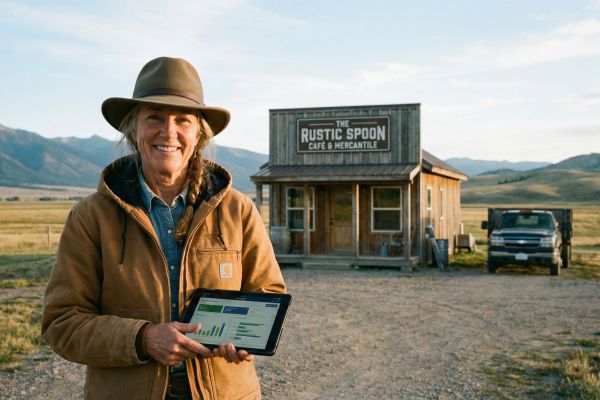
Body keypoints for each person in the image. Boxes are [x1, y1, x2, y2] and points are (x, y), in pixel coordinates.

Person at [42, 56, 286, 400]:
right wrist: (143, 339)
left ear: (198, 133)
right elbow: (62, 323)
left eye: (182, 120)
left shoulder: (238, 211)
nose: (168, 132)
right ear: (133, 129)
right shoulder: (90, 218)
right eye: (154, 117)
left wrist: (247, 338)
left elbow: (268, 296)